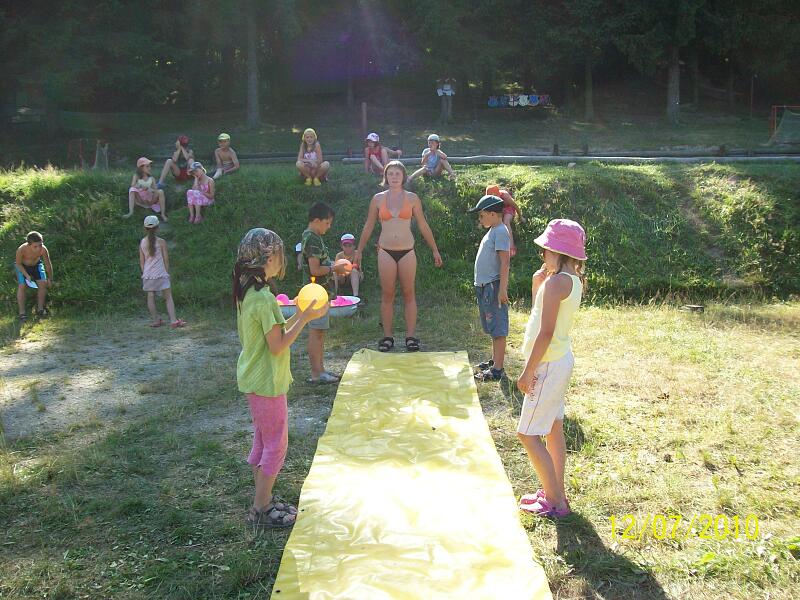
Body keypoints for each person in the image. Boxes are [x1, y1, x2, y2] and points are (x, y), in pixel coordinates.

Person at [234, 228, 329, 528]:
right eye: (279, 254)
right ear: (268, 258)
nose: (281, 259)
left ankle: (262, 499)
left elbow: (274, 332)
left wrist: (298, 313)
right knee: (276, 445)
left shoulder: (249, 291)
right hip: (266, 382)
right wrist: (305, 317)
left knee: (263, 440)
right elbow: (278, 344)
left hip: (255, 379)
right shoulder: (263, 298)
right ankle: (261, 508)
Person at [515, 219, 587, 518]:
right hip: (559, 361)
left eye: (545, 249)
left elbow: (544, 334)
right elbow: (542, 317)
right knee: (553, 428)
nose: (542, 254)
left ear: (557, 251)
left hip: (546, 365)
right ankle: (555, 490)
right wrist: (538, 286)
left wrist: (528, 370)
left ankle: (556, 501)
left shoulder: (557, 283)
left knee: (527, 434)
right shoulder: (570, 280)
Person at [354, 161, 443, 352]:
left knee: (409, 293)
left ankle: (410, 337)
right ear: (385, 177)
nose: (394, 177)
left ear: (403, 176)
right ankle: (387, 337)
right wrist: (358, 251)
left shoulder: (412, 198)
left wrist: (434, 249)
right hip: (385, 251)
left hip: (407, 251)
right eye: (390, 174)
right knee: (387, 294)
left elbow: (423, 225)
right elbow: (368, 226)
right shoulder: (378, 199)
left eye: (397, 174)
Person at [301, 203, 350, 383]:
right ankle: (316, 373)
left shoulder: (312, 237)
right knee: (316, 332)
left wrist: (334, 266)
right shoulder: (312, 239)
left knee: (320, 332)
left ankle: (320, 370)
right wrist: (335, 268)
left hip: (319, 293)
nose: (329, 227)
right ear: (316, 220)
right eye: (327, 223)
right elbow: (315, 269)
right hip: (315, 294)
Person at [467, 194, 511, 382]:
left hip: (493, 287)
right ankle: (495, 361)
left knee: (498, 328)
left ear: (493, 214)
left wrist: (502, 289)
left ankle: (497, 370)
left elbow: (505, 263)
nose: (480, 219)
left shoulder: (500, 231)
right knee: (492, 326)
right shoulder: (493, 230)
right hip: (485, 287)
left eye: (482, 215)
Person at [139, 215, 186, 328]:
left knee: (150, 297)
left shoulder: (142, 242)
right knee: (168, 297)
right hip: (160, 273)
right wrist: (166, 272)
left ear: (145, 228)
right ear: (157, 228)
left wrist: (145, 273)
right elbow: (166, 260)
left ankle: (155, 320)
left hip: (148, 275)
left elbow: (142, 261)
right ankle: (173, 321)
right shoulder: (161, 242)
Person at [14, 231, 53, 322]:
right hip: (22, 266)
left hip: (36, 265)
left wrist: (50, 279)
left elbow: (48, 265)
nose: (38, 248)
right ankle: (22, 313)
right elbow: (18, 264)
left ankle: (40, 309)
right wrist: (27, 275)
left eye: (40, 245)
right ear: (29, 244)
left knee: (43, 283)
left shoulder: (43, 249)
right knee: (22, 285)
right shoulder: (21, 249)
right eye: (35, 246)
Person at [486, 184, 525, 257]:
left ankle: (511, 246)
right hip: (499, 210)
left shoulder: (505, 196)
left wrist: (520, 217)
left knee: (506, 222)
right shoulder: (489, 200)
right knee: (495, 224)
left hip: (508, 208)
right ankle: (497, 246)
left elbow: (515, 206)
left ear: (497, 195)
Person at [334, 233, 364, 297]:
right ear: (341, 246)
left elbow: (356, 266)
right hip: (342, 277)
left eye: (350, 246)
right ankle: (334, 294)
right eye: (345, 246)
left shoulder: (357, 254)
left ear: (354, 246)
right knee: (335, 273)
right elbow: (336, 268)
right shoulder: (339, 255)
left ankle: (355, 295)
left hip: (355, 276)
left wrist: (345, 267)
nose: (347, 248)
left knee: (354, 271)